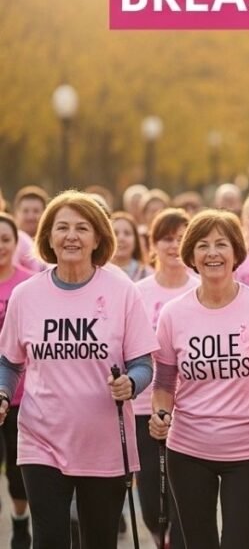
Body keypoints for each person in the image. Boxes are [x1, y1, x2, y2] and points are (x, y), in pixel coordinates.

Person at [0, 191, 157, 548]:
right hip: (41, 437)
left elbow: (143, 364)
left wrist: (130, 384)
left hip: (104, 442)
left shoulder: (121, 291)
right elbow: (9, 361)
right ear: (49, 237)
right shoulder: (27, 296)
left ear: (98, 237)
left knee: (98, 540)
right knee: (50, 538)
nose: (71, 235)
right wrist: (3, 393)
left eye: (82, 228)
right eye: (62, 227)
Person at [148, 210, 249, 547]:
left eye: (221, 244)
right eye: (203, 245)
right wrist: (160, 413)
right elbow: (164, 382)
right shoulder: (174, 313)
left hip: (248, 450)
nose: (212, 253)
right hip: (189, 450)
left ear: (236, 252)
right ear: (191, 255)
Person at [134, 208, 195, 547]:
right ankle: (161, 540)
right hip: (145, 407)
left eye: (181, 238)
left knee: (183, 498)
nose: (174, 246)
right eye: (167, 238)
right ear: (153, 244)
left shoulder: (201, 289)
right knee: (150, 504)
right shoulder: (136, 292)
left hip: (189, 409)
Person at [0, 213, 33, 548]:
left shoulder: (28, 285)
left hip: (19, 394)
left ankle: (20, 519)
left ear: (15, 243)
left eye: (5, 239)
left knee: (15, 472)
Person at [109, 212, 153, 282]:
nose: (121, 238)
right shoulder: (97, 273)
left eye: (127, 233)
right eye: (115, 233)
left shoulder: (148, 275)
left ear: (136, 240)